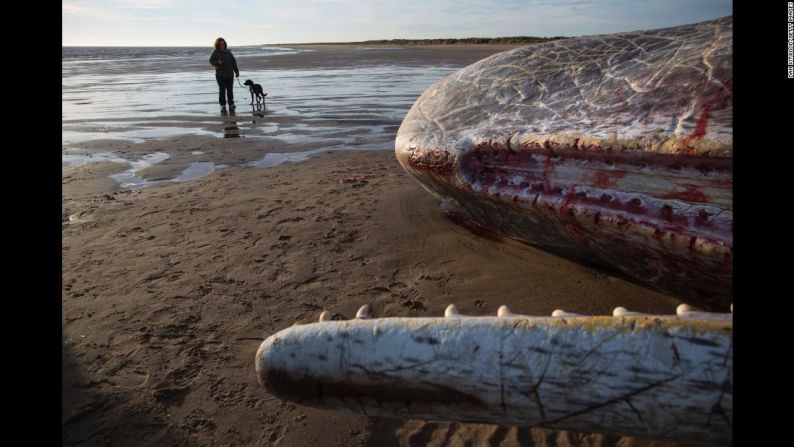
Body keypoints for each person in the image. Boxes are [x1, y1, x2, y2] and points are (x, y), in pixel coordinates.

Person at [209, 37, 240, 115]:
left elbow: (234, 62)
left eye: (223, 44)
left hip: (230, 74)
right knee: (222, 90)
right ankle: (223, 106)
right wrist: (217, 62)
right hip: (220, 74)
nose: (222, 45)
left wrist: (236, 72)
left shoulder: (229, 53)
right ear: (217, 45)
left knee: (230, 90)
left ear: (225, 45)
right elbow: (211, 61)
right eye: (220, 44)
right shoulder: (215, 52)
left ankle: (231, 104)